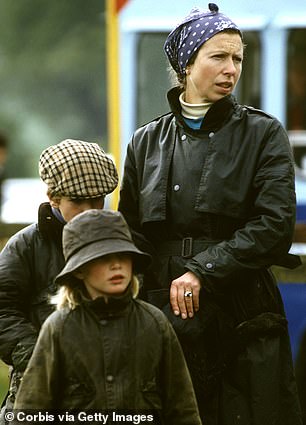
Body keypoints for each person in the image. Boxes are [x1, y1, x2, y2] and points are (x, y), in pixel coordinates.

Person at [118, 3, 303, 424]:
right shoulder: (145, 141)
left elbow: (275, 226)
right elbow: (129, 231)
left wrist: (203, 269)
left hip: (242, 312)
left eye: (237, 58)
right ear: (186, 63)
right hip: (162, 313)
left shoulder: (264, 133)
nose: (230, 69)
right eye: (218, 56)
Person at [14, 209, 202, 424]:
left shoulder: (154, 323)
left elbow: (183, 408)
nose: (116, 265)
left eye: (123, 255)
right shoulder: (60, 328)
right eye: (103, 258)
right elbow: (30, 411)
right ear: (79, 270)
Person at [0, 139, 118, 419]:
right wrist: (41, 360)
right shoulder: (25, 247)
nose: (90, 210)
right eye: (78, 201)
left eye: (97, 199)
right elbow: (3, 310)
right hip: (40, 394)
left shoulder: (121, 244)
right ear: (53, 197)